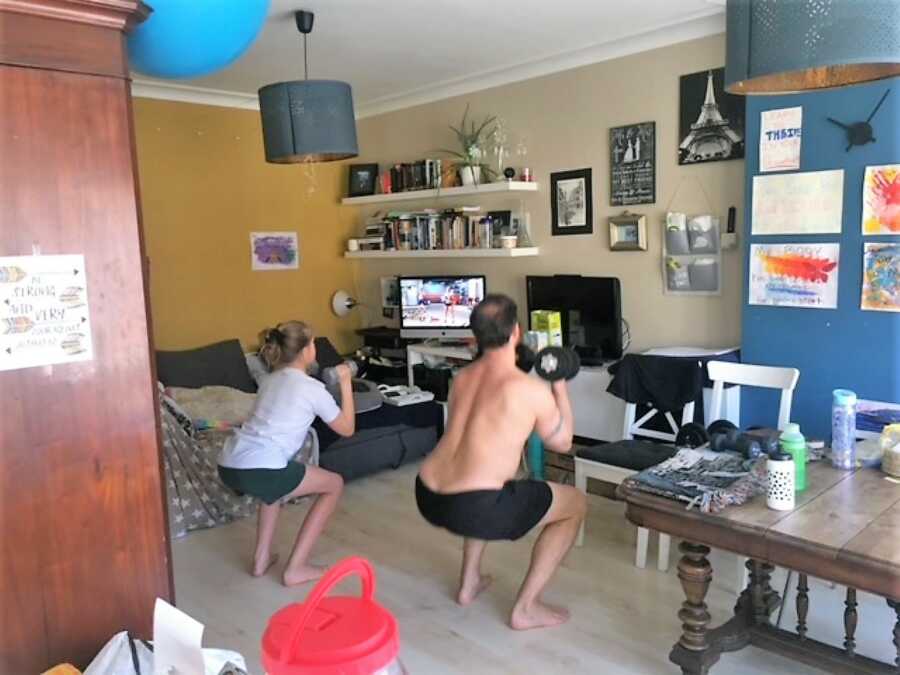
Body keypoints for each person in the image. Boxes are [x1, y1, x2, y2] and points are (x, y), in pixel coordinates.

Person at [416, 294, 586, 631]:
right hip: (473, 506)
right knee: (576, 504)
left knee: (489, 483)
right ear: (516, 332)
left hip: (427, 493)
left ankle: (468, 584)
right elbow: (563, 443)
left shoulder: (461, 378)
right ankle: (526, 608)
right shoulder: (528, 390)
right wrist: (560, 389)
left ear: (476, 336)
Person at [217, 321, 354, 586]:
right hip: (261, 467)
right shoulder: (312, 389)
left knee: (274, 489)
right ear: (305, 351)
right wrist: (346, 382)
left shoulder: (269, 381)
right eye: (313, 343)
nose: (315, 348)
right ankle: (296, 568)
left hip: (229, 462)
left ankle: (261, 559)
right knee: (334, 484)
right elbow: (347, 428)